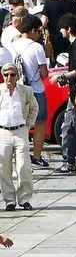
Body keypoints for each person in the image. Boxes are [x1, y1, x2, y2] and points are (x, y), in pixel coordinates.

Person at [0, 63, 37, 210]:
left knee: (23, 166)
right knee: (3, 167)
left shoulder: (26, 90)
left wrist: (28, 125)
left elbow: (34, 108)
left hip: (21, 130)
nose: (10, 77)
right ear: (3, 76)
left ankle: (24, 198)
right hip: (3, 131)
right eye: (7, 74)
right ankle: (9, 200)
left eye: (13, 74)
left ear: (17, 76)